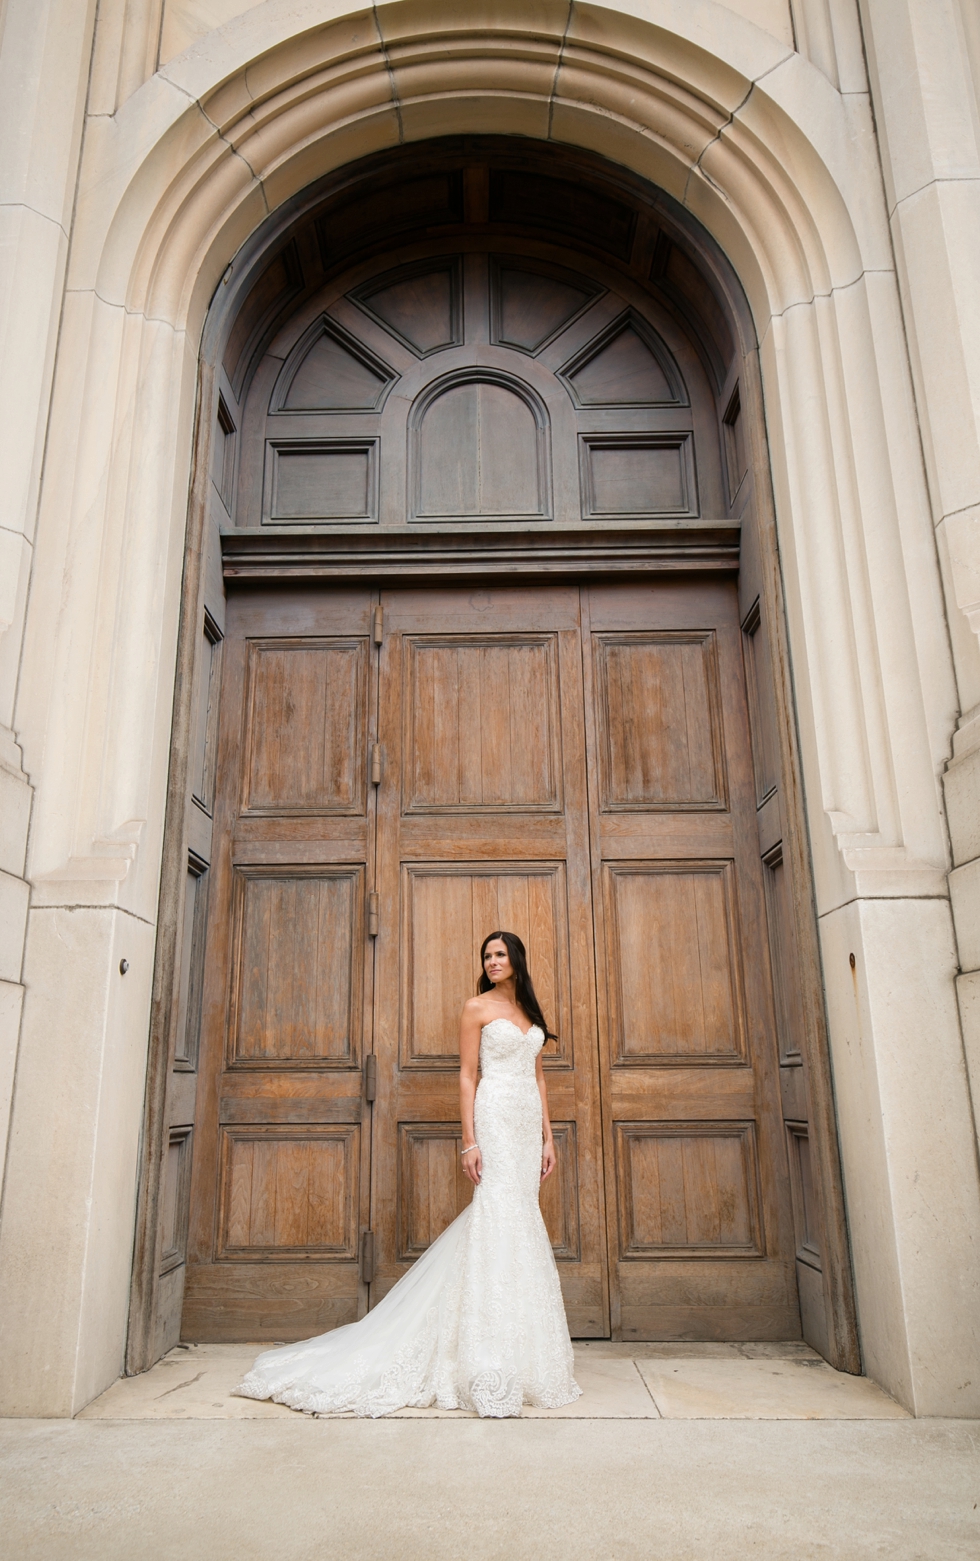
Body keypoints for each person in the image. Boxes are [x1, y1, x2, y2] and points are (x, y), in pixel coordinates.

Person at [235, 931, 581, 1418]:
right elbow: (467, 1074)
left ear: (517, 959)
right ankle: (483, 1357)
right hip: (496, 1119)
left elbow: (539, 1077)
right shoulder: (476, 1008)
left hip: (527, 1128)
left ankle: (525, 1353)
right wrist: (470, 1140)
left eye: (501, 954)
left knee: (521, 1221)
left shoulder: (530, 1013)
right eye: (487, 955)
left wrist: (548, 1137)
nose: (493, 961)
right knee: (496, 1216)